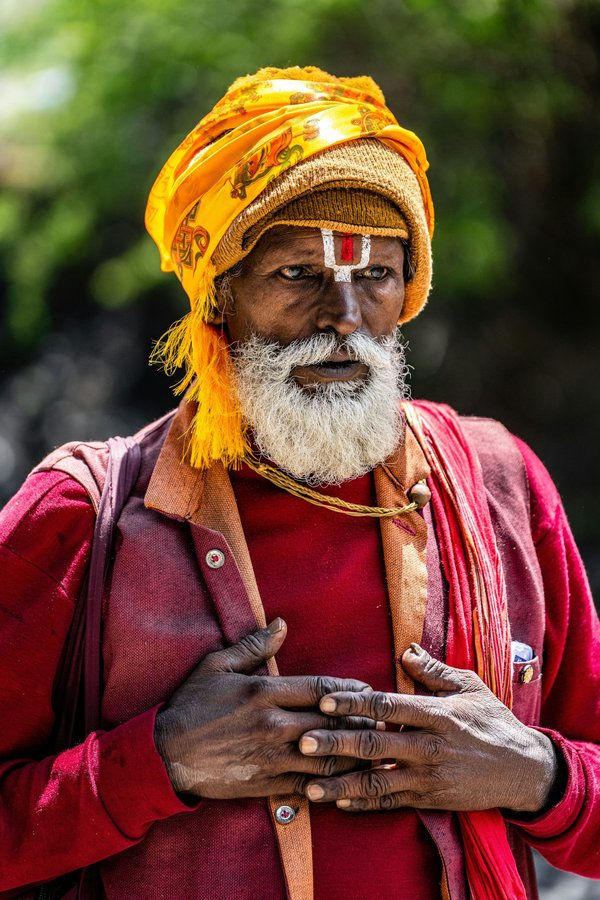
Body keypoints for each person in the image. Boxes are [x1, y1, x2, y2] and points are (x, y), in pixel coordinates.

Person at [0, 66, 598, 900]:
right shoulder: (81, 516)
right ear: (220, 297)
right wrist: (156, 762)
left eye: (375, 276)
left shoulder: (503, 488)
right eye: (298, 275)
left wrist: (536, 772)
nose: (343, 317)